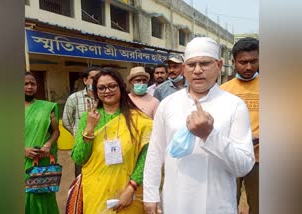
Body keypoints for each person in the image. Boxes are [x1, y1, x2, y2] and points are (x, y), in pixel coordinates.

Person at [143, 37, 255, 214]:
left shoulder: (234, 105)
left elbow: (243, 166)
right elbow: (155, 152)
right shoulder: (168, 104)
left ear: (219, 65)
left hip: (217, 203)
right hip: (175, 201)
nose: (197, 70)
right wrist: (150, 194)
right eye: (191, 64)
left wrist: (210, 135)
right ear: (184, 69)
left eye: (204, 63)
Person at [71, 68, 153, 213]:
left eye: (112, 86)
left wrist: (131, 188)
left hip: (129, 193)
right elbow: (78, 158)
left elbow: (147, 157)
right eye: (101, 88)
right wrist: (89, 128)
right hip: (96, 192)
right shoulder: (88, 117)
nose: (107, 91)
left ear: (121, 87)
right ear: (95, 91)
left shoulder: (139, 119)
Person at [220, 37, 259, 214]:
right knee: (226, 203)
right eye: (243, 62)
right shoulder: (223, 90)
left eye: (253, 61)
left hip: (260, 159)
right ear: (234, 62)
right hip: (230, 157)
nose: (249, 67)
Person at [24, 72, 60, 214]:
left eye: (33, 83)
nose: (29, 87)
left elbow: (56, 132)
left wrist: (48, 144)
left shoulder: (47, 108)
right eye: (25, 84)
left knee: (42, 194)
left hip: (42, 161)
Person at [62, 67, 101, 177]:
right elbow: (66, 121)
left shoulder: (104, 97)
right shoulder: (74, 98)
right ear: (85, 80)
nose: (96, 81)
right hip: (82, 145)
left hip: (101, 145)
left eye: (99, 78)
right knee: (81, 179)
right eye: (93, 78)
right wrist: (77, 133)